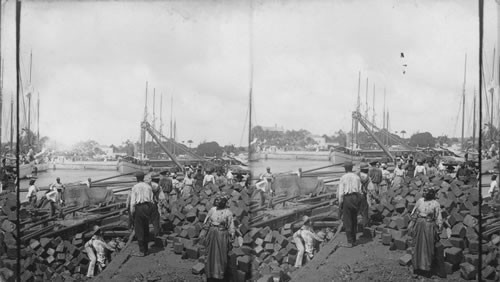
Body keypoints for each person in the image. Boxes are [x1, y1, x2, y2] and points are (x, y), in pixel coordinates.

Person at [409, 187, 442, 275]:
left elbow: (438, 217)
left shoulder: (435, 204)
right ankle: (416, 267)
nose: (424, 192)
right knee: (416, 245)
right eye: (423, 191)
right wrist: (412, 225)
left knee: (428, 247)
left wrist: (438, 229)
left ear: (431, 193)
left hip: (429, 226)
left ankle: (426, 268)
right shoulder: (420, 201)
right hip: (419, 225)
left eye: (426, 191)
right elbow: (414, 213)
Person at [203, 195, 235, 281]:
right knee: (210, 254)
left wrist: (232, 235)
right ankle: (210, 274)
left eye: (220, 200)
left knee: (221, 255)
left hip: (222, 235)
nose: (218, 202)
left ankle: (219, 275)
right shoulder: (212, 210)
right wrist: (204, 233)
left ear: (224, 202)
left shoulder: (228, 212)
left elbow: (231, 225)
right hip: (212, 234)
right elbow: (206, 222)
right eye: (217, 200)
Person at [337, 161, 363, 248]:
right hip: (356, 197)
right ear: (352, 168)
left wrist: (340, 204)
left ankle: (349, 242)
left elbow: (340, 193)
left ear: (345, 169)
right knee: (354, 218)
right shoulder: (357, 177)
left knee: (347, 220)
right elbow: (360, 191)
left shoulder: (343, 178)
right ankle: (354, 240)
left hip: (347, 198)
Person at [129, 171, 155, 256]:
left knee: (139, 229)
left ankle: (142, 251)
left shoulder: (135, 187)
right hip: (147, 207)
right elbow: (152, 200)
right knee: (145, 227)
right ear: (143, 178)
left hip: (139, 208)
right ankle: (146, 249)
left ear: (137, 178)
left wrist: (132, 213)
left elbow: (132, 202)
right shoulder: (148, 186)